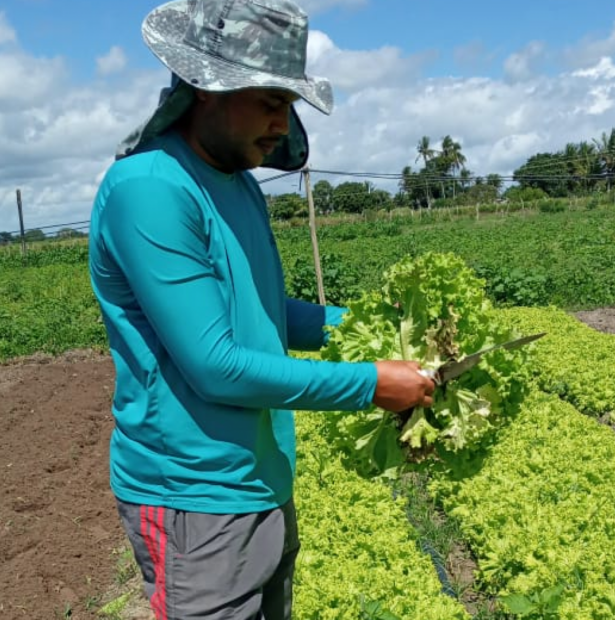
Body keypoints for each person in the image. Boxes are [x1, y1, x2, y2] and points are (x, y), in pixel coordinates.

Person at [87, 1, 435, 618]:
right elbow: (217, 364)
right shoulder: (151, 189)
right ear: (205, 89)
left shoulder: (237, 179)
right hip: (194, 499)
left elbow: (266, 312)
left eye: (290, 107)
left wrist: (368, 327)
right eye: (271, 102)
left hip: (260, 479)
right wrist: (370, 384)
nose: (283, 123)